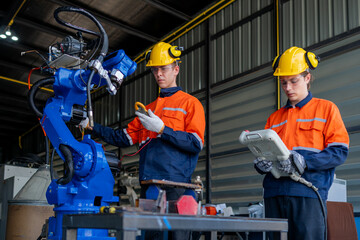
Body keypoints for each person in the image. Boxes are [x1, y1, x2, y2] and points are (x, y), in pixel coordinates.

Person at [84, 42, 205, 239]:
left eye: (163, 69)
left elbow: (195, 143)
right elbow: (122, 138)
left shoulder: (190, 104)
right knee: (151, 237)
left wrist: (162, 130)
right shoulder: (147, 110)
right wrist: (92, 126)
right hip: (150, 188)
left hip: (178, 188)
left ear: (176, 69)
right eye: (155, 70)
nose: (159, 74)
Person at [254, 46, 349, 240]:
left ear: (307, 78)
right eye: (283, 83)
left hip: (308, 193)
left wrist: (306, 161)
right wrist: (262, 163)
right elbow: (267, 152)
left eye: (293, 81)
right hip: (274, 194)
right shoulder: (274, 118)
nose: (288, 88)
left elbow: (339, 152)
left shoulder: (326, 109)